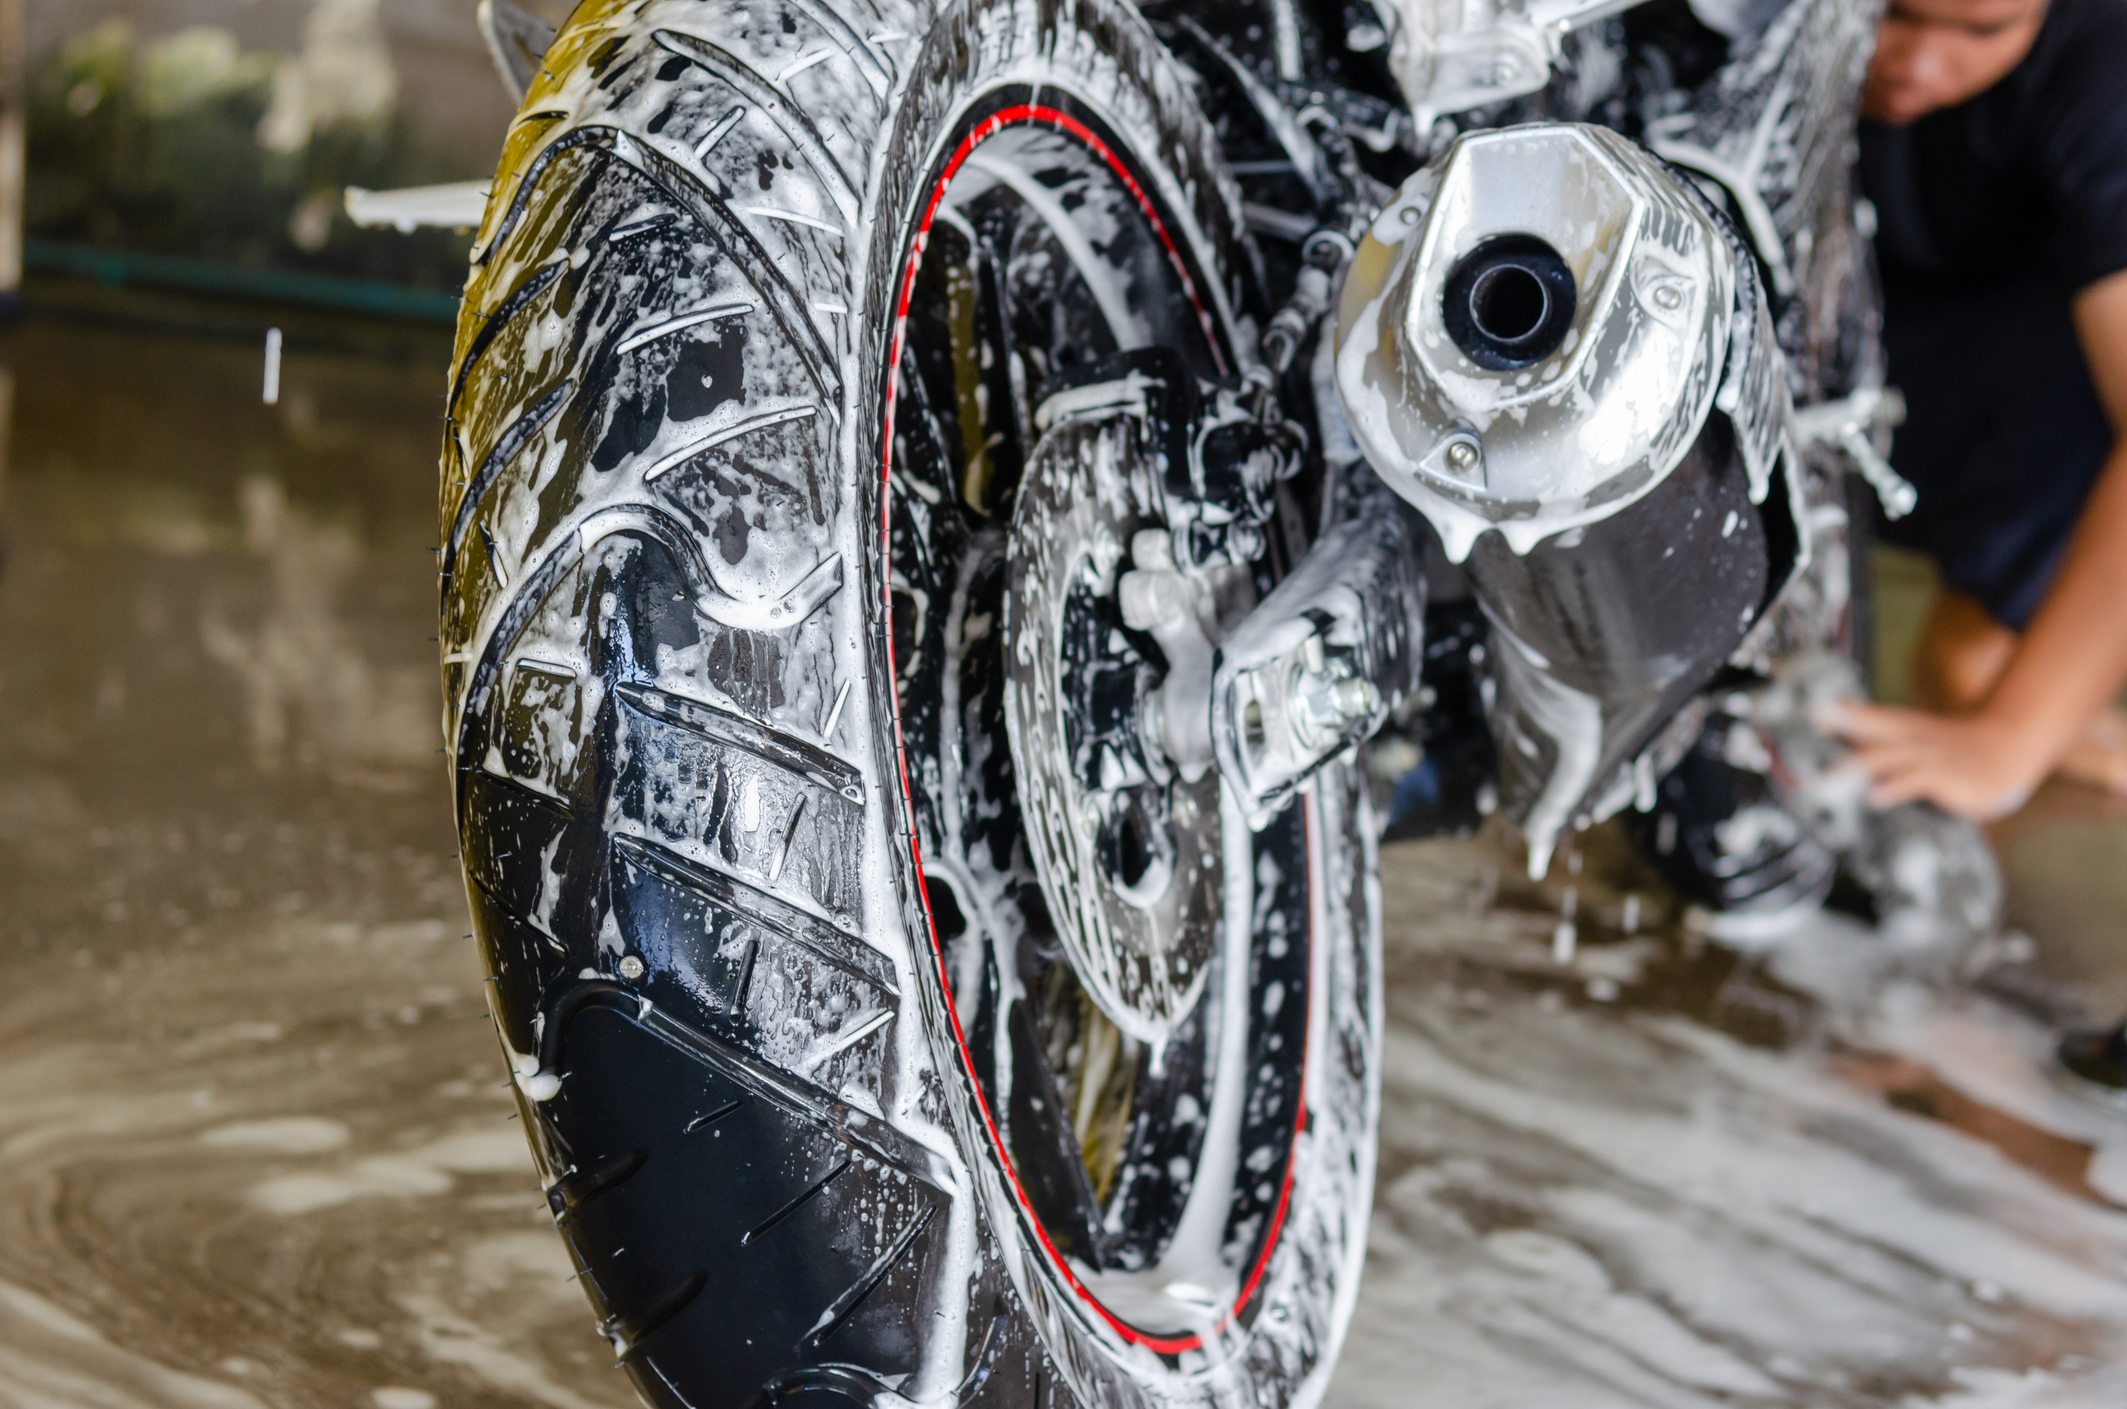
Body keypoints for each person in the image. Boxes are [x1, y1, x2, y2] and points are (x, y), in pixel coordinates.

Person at [1827, 0, 2127, 1095]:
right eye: (1892, 13)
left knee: (1967, 685)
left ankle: (2039, 720)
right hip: (1848, 328)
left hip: (2022, 367)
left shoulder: (2101, 68)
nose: (1913, 59)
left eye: (1975, 29)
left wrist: (2004, 736)